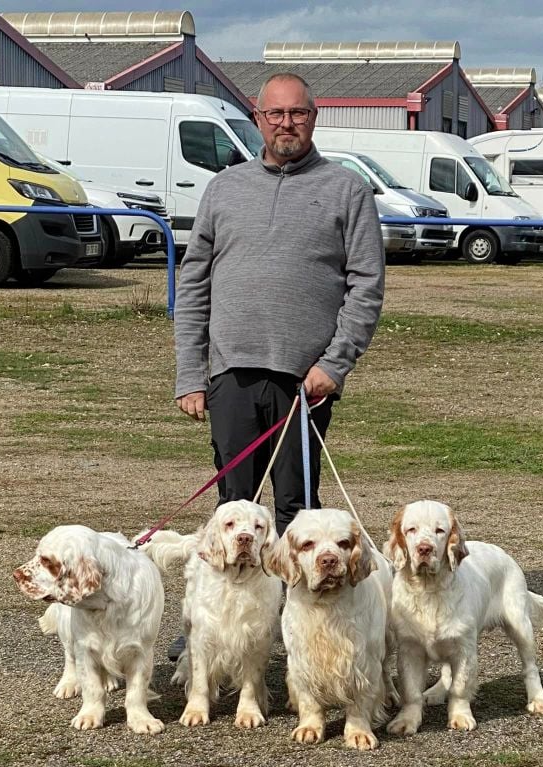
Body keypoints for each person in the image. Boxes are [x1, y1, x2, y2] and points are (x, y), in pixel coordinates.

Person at [170, 72, 385, 657]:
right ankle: (210, 633)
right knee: (233, 514)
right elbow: (193, 283)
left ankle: (296, 636)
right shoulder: (224, 188)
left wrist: (334, 364)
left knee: (297, 514)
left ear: (313, 118)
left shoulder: (347, 190)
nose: (287, 123)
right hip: (231, 375)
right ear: (258, 117)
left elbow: (366, 286)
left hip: (305, 381)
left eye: (299, 114)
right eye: (275, 114)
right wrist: (192, 373)